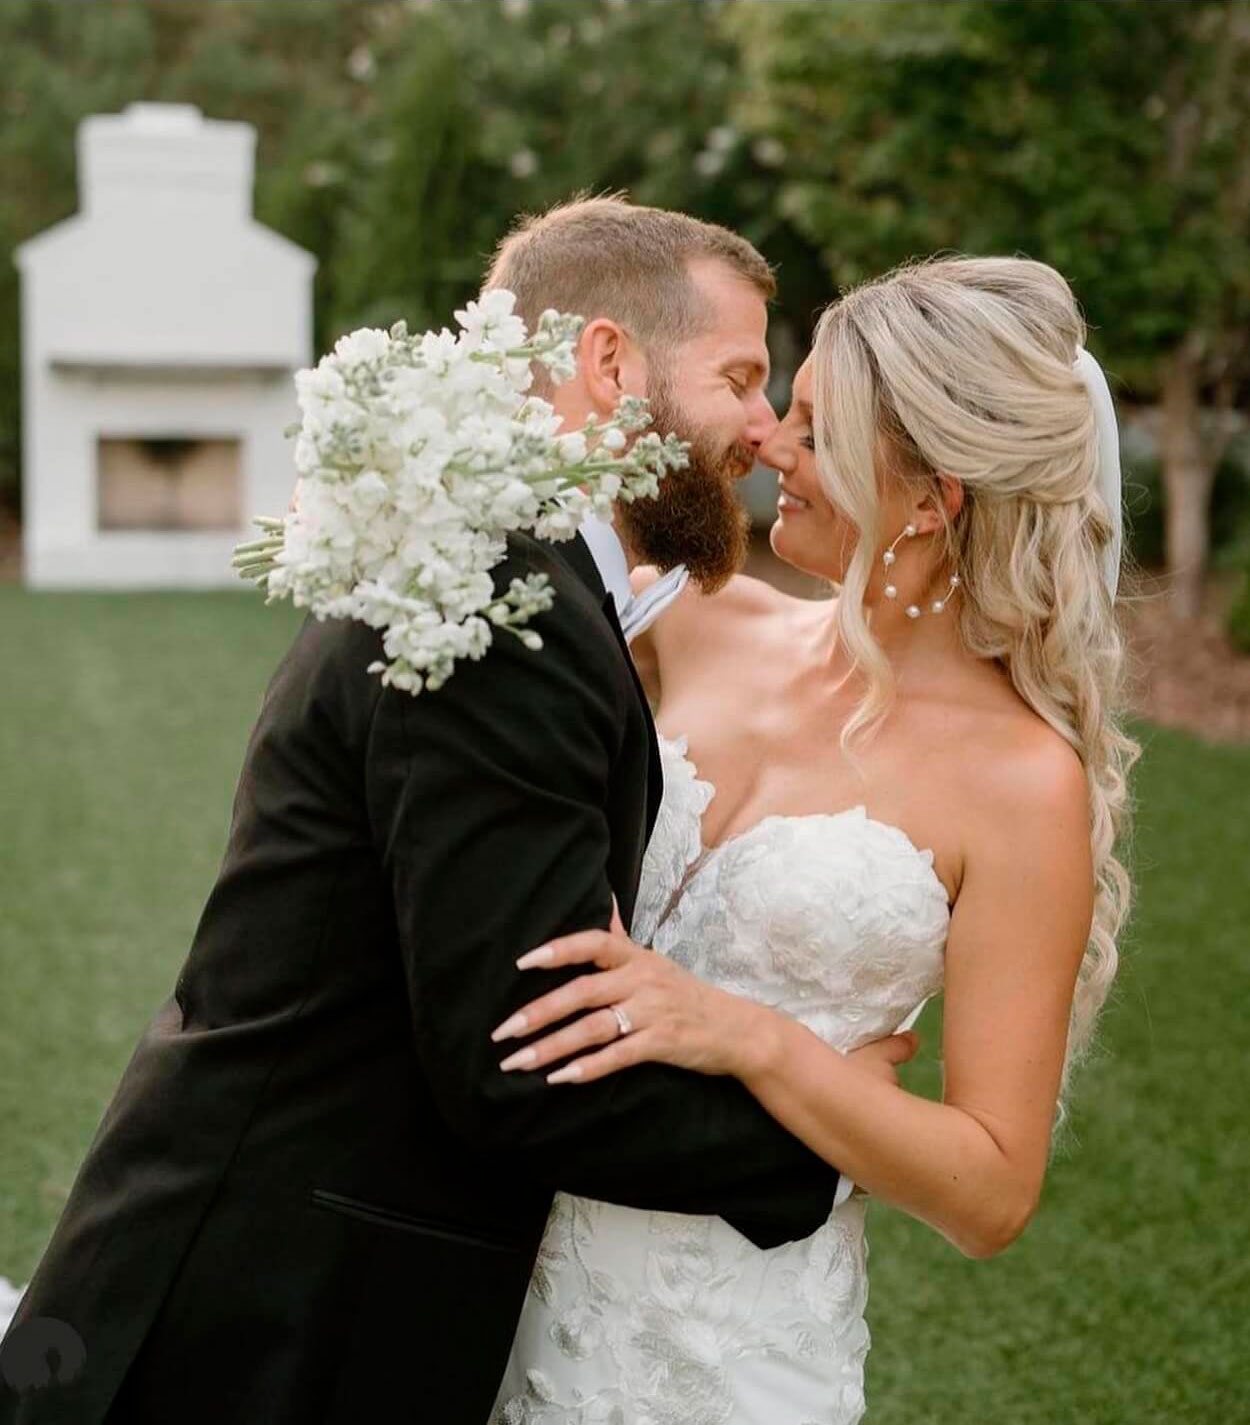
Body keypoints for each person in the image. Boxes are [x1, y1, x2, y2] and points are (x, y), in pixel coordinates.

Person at [0, 199, 912, 1425]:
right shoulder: (500, 617)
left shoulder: (499, 571)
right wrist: (826, 1138)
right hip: (271, 1318)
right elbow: (515, 1070)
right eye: (740, 377)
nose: (761, 428)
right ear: (608, 364)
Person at [490, 255, 1137, 1424]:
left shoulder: (1020, 785)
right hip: (506, 1270)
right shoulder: (687, 616)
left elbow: (990, 1190)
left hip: (729, 1343)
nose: (766, 446)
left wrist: (756, 1041)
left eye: (810, 428)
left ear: (932, 498)